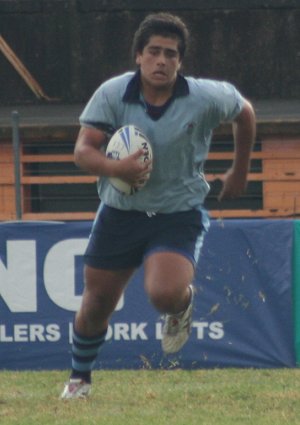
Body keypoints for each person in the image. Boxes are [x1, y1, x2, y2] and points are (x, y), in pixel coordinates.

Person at [61, 12, 256, 399]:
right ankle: (79, 379)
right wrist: (117, 168)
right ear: (138, 55)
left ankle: (181, 307)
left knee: (163, 293)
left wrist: (240, 170)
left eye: (170, 54)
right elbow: (83, 151)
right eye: (154, 52)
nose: (161, 60)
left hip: (177, 213)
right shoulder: (113, 93)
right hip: (119, 212)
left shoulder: (205, 96)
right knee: (97, 302)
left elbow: (245, 112)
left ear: (180, 62)